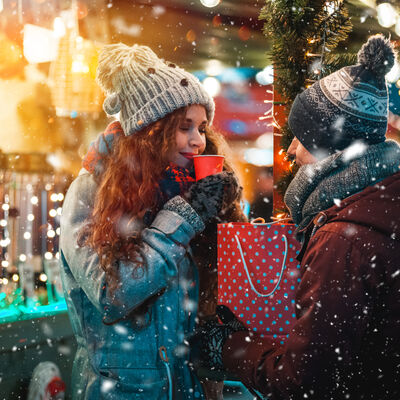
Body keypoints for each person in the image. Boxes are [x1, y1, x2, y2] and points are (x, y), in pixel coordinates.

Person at [189, 35, 400, 399]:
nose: (290, 150)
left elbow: (304, 381)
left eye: (301, 138)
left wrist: (231, 346)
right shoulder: (377, 208)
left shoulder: (344, 237)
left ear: (331, 150)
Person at [59, 43, 246, 400]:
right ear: (150, 130)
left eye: (202, 127)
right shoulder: (91, 191)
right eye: (184, 127)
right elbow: (112, 294)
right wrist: (184, 218)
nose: (197, 141)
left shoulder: (184, 188)